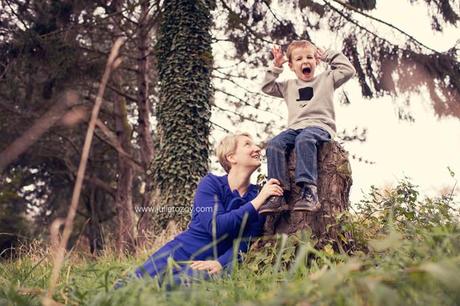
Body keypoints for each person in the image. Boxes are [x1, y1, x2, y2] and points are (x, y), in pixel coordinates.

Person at [117, 132, 283, 288]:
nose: (257, 149)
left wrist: (221, 263)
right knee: (128, 287)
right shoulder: (211, 184)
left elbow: (248, 240)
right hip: (180, 252)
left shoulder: (257, 194)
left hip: (211, 264)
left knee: (174, 287)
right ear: (231, 157)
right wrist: (258, 201)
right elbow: (216, 226)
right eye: (248, 144)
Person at [259, 40, 355, 215]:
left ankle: (309, 190)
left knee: (305, 139)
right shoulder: (288, 86)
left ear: (316, 61)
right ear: (291, 65)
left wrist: (328, 55)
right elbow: (266, 87)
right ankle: (278, 195)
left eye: (310, 57)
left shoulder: (327, 78)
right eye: (299, 59)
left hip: (320, 125)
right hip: (294, 128)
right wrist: (275, 66)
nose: (305, 61)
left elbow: (349, 70)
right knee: (274, 144)